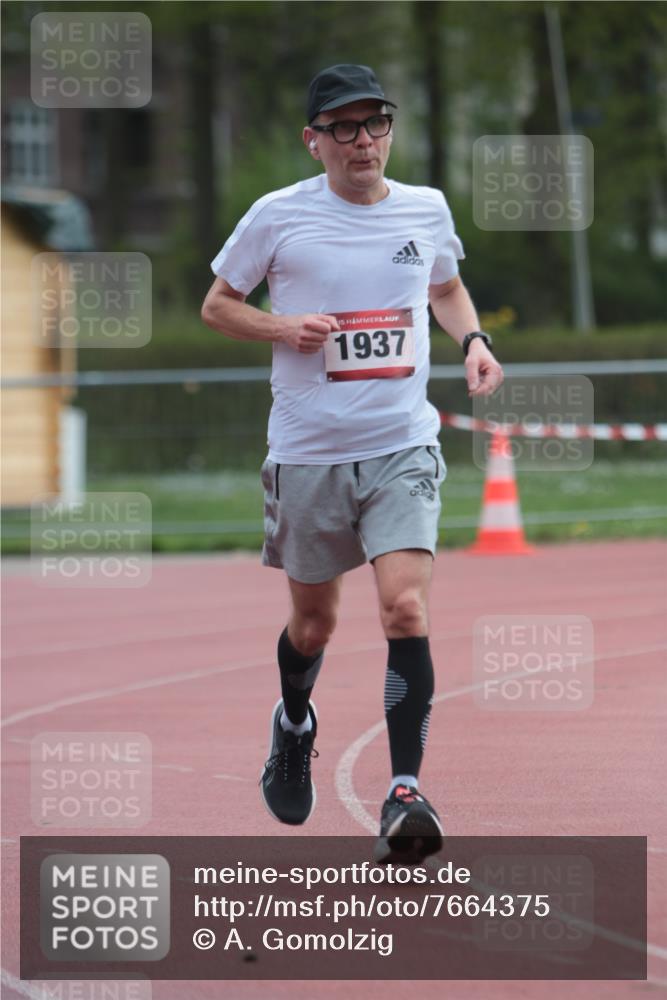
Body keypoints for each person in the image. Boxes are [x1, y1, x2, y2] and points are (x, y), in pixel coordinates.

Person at [202, 63, 503, 863]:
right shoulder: (277, 217)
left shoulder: (426, 208)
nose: (362, 140)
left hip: (401, 446)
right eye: (343, 127)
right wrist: (282, 327)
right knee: (314, 625)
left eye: (375, 123)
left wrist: (472, 341)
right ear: (315, 143)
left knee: (404, 610)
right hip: (308, 454)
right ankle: (294, 724)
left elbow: (445, 287)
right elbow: (217, 304)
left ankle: (403, 789)